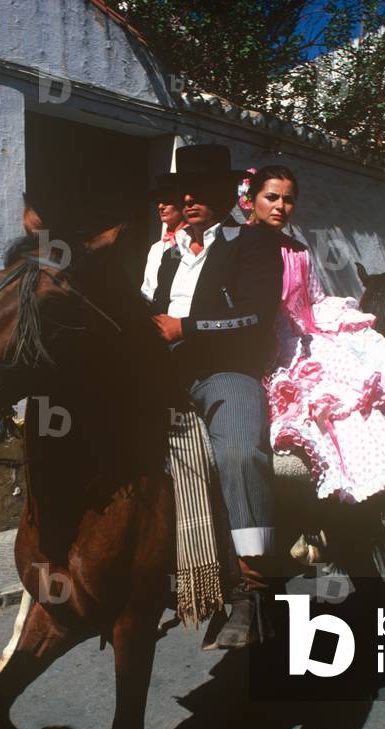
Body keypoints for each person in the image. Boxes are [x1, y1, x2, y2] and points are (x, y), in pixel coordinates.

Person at [146, 144, 284, 648]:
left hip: (226, 371)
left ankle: (253, 586)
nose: (190, 198)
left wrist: (187, 326)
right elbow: (150, 311)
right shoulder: (167, 255)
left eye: (202, 190)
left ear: (228, 194)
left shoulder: (254, 245)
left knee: (239, 453)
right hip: (165, 376)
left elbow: (256, 314)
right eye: (185, 191)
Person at [243, 165, 385, 504]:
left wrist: (341, 322)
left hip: (298, 335)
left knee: (354, 384)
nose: (279, 207)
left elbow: (313, 299)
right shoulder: (236, 244)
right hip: (256, 339)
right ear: (252, 199)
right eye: (271, 197)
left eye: (288, 200)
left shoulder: (298, 251)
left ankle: (376, 477)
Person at [141, 174, 186, 302]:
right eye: (158, 202)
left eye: (167, 201)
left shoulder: (195, 243)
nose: (160, 206)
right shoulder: (156, 248)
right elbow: (147, 288)